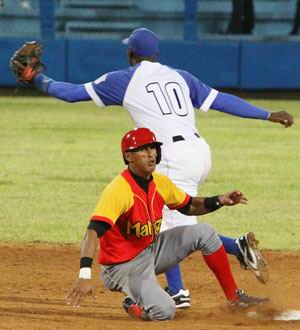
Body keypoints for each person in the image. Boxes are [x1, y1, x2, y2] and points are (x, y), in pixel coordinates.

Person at [11, 27, 293, 308]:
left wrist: (36, 78)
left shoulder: (123, 80)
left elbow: (71, 93)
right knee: (171, 221)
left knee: (162, 224)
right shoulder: (180, 76)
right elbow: (223, 101)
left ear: (130, 53)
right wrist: (266, 114)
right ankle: (197, 277)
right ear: (156, 54)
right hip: (199, 152)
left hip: (167, 155)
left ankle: (203, 279)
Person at [65, 127, 269, 321]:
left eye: (153, 147)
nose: (151, 153)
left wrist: (219, 200)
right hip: (122, 267)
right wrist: (84, 274)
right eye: (143, 149)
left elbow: (189, 206)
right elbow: (92, 232)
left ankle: (235, 299)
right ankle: (132, 303)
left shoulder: (160, 182)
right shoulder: (119, 190)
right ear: (129, 156)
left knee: (206, 232)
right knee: (165, 311)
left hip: (151, 251)